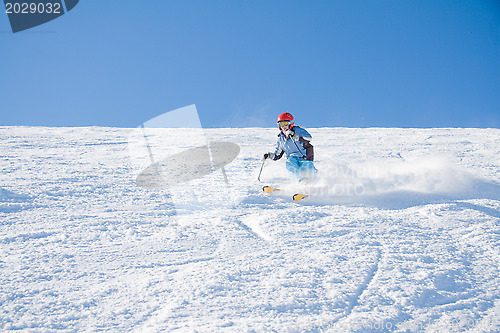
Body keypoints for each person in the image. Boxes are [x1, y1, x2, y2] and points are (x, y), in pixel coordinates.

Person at [263, 112, 318, 181]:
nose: (283, 126)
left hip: (304, 156)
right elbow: (278, 154)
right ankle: (300, 182)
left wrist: (297, 136)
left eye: (285, 123)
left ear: (291, 123)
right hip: (292, 158)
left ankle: (315, 180)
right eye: (281, 124)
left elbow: (309, 138)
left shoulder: (297, 130)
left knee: (306, 167)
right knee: (290, 164)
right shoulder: (281, 138)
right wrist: (270, 156)